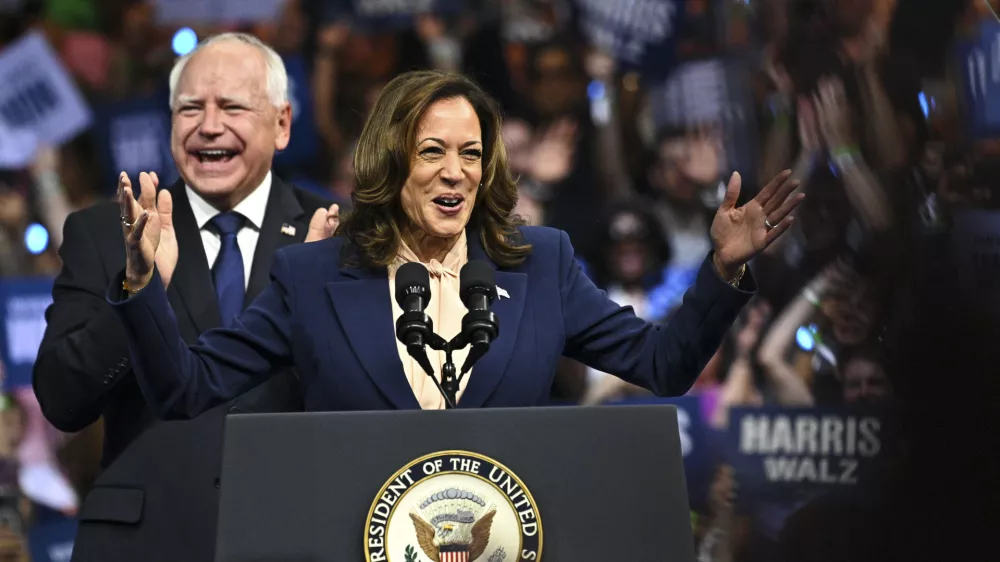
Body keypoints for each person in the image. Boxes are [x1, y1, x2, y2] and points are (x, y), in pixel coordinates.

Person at [108, 69, 802, 421]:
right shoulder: (311, 276)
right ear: (388, 162)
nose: (454, 171)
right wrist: (142, 286)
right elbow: (185, 390)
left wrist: (722, 269)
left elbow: (664, 364)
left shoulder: (542, 263)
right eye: (432, 150)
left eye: (471, 153)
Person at [32, 33, 338, 562]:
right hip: (144, 543)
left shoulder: (337, 235)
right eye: (190, 108)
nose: (209, 125)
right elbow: (62, 399)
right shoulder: (108, 232)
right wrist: (138, 286)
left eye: (233, 106)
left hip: (298, 536)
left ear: (283, 123)